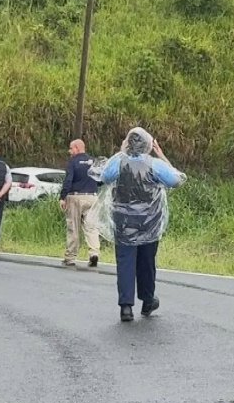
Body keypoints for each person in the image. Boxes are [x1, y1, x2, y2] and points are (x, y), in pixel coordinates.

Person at [100, 127, 186, 322]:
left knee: (125, 263)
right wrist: (161, 155)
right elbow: (176, 180)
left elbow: (104, 177)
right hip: (150, 224)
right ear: (148, 145)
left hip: (123, 224)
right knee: (147, 263)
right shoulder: (155, 165)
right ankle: (147, 300)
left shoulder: (118, 163)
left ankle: (126, 307)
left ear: (127, 144)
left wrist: (120, 153)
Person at [59, 139, 101, 267]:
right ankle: (94, 253)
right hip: (92, 197)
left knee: (73, 227)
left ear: (77, 148)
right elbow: (100, 179)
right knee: (92, 227)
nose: (69, 151)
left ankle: (70, 257)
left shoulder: (73, 162)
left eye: (71, 148)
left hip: (75, 197)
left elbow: (68, 180)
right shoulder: (93, 161)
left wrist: (63, 196)